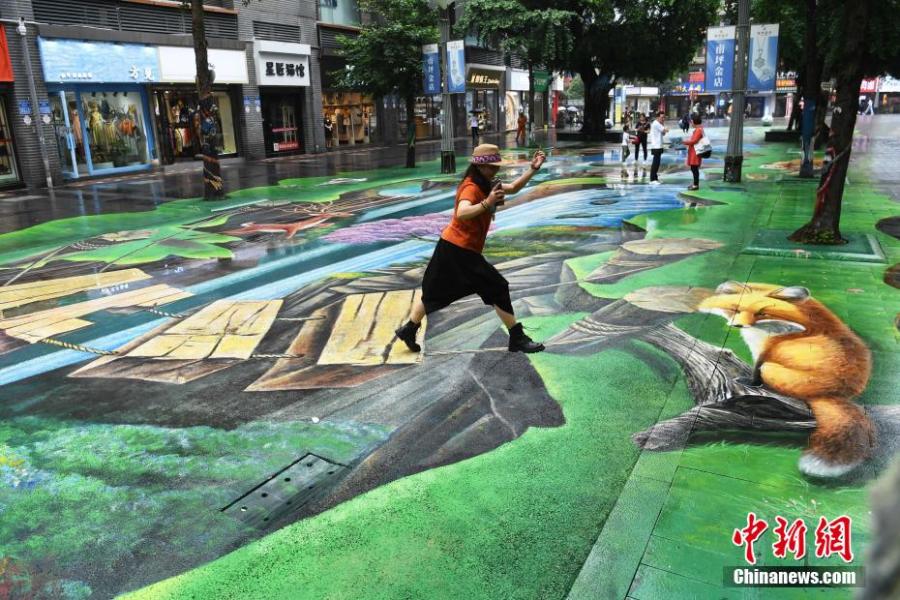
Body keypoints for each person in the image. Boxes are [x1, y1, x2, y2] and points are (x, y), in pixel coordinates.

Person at [395, 144, 547, 354]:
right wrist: (488, 203)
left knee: (432, 292)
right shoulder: (471, 187)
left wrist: (533, 169)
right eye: (492, 167)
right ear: (479, 167)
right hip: (459, 250)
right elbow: (462, 212)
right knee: (498, 287)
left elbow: (513, 188)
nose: (496, 170)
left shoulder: (486, 184)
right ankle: (517, 337)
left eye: (496, 167)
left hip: (452, 247)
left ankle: (409, 329)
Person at [683, 113, 705, 191]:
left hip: (695, 152)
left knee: (694, 168)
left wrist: (684, 142)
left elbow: (694, 141)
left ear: (694, 122)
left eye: (691, 122)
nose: (691, 123)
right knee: (694, 168)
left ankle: (696, 185)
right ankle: (695, 184)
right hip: (694, 151)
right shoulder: (699, 129)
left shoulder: (699, 130)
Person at [648, 111, 668, 184]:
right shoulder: (656, 123)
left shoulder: (658, 124)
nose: (663, 119)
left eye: (664, 117)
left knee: (657, 162)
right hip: (656, 146)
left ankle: (655, 178)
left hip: (659, 145)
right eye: (662, 117)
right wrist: (665, 128)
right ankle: (652, 179)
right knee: (655, 163)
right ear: (657, 117)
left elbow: (663, 133)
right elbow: (665, 130)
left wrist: (663, 127)